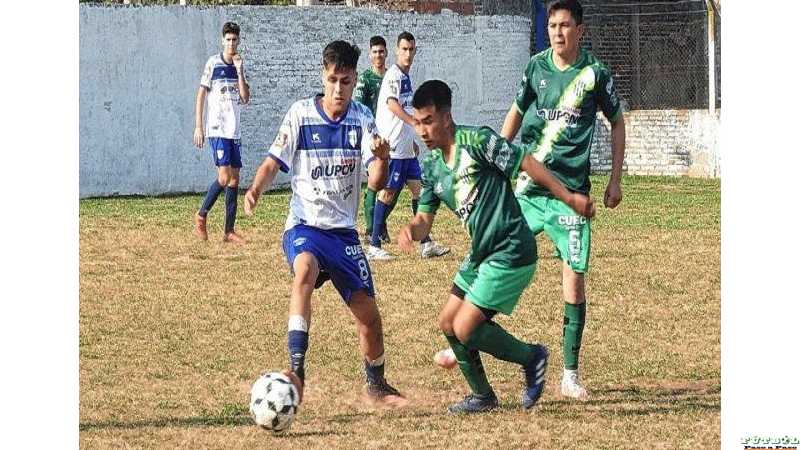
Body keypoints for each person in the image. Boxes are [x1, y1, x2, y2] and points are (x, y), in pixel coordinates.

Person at [398, 80, 595, 413]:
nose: (422, 129)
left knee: (465, 327)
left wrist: (570, 198)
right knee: (448, 323)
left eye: (428, 120)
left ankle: (532, 357)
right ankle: (483, 396)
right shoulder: (431, 167)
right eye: (417, 121)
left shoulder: (478, 142)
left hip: (511, 249)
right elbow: (424, 222)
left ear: (446, 117)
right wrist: (410, 231)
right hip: (481, 254)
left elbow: (527, 163)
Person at [243, 40, 406, 407]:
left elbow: (376, 181)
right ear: (323, 75)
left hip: (343, 234)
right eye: (332, 79)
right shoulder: (301, 115)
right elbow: (273, 161)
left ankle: (376, 384)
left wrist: (382, 158)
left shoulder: (363, 118)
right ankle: (296, 371)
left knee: (370, 319)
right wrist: (255, 188)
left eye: (345, 81)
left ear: (353, 81)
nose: (337, 89)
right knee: (303, 272)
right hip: (305, 227)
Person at [500, 0, 626, 400]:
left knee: (574, 281)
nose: (557, 32)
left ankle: (569, 374)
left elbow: (618, 120)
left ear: (580, 30)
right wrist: (499, 158)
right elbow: (516, 112)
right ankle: (465, 329)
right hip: (528, 187)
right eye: (552, 25)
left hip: (571, 197)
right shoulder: (536, 67)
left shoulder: (594, 74)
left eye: (565, 25)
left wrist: (615, 180)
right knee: (493, 254)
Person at [367, 31, 449, 260]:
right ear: (396, 50)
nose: (408, 54)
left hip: (405, 150)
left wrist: (411, 140)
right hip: (393, 149)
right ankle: (373, 244)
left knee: (419, 191)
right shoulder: (393, 75)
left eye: (412, 49)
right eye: (404, 49)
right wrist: (414, 121)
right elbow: (392, 103)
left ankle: (426, 243)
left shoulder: (405, 77)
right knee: (387, 194)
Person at [193, 21, 250, 243]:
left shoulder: (239, 66)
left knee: (234, 180)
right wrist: (199, 126)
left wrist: (240, 71)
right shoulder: (213, 63)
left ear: (239, 41)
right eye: (228, 39)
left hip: (234, 131)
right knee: (224, 177)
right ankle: (201, 214)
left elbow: (245, 97)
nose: (231, 43)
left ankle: (228, 231)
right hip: (217, 128)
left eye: (235, 39)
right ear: (222, 40)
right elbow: (201, 96)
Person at [354, 35, 391, 246]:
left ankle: (380, 226)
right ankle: (371, 230)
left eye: (381, 51)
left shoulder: (391, 76)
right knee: (375, 181)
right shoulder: (365, 79)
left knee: (389, 183)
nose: (378, 55)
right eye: (375, 52)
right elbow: (360, 108)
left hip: (390, 136)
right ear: (370, 55)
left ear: (386, 53)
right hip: (372, 137)